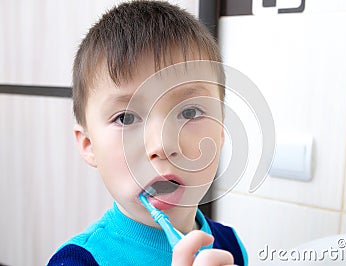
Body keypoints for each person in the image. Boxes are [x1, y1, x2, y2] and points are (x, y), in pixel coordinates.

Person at [48, 1, 247, 265]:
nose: (162, 145)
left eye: (189, 113)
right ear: (88, 144)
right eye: (126, 117)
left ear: (221, 130)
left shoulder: (229, 245)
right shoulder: (77, 261)